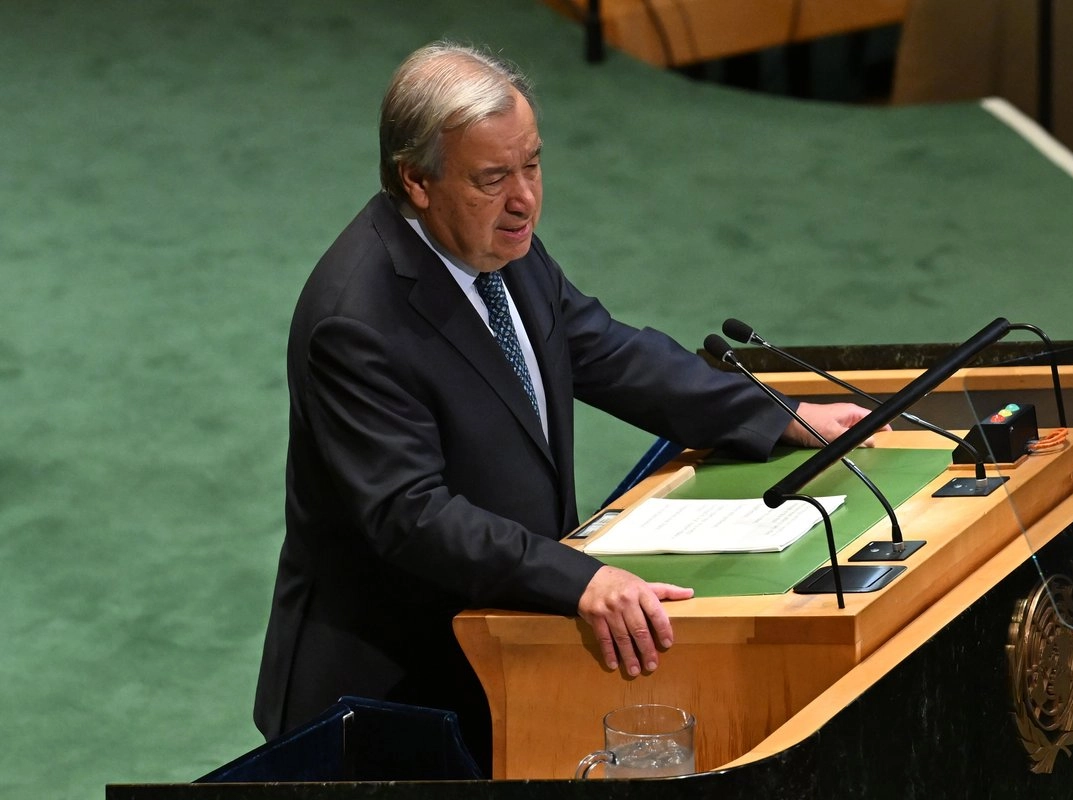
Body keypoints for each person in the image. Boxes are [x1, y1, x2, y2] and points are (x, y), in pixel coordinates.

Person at [253, 41, 874, 772]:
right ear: (417, 181)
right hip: (396, 691)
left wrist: (773, 415)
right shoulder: (357, 319)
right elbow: (411, 514)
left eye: (533, 164)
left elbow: (601, 348)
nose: (525, 198)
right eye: (493, 177)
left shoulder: (501, 247)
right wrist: (578, 578)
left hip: (504, 640)